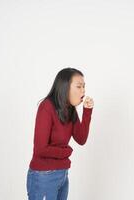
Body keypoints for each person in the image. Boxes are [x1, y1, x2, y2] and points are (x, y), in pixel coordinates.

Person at [26, 67, 94, 200]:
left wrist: (87, 111)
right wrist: (65, 152)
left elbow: (81, 139)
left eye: (84, 87)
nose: (83, 91)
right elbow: (41, 149)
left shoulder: (70, 110)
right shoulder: (46, 107)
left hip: (62, 175)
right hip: (43, 177)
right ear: (65, 87)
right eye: (79, 86)